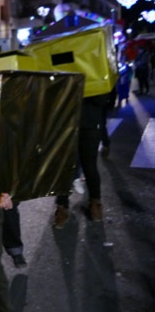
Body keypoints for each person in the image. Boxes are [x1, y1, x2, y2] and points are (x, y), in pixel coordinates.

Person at [53, 93, 110, 227]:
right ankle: (66, 207)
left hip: (77, 120)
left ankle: (67, 208)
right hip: (77, 121)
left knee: (81, 166)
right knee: (71, 166)